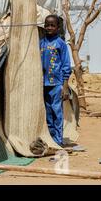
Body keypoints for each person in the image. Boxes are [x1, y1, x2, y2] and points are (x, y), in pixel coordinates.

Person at [40, 14, 71, 147]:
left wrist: (65, 86)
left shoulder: (61, 44)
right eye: (47, 25)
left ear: (58, 28)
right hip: (43, 83)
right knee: (48, 112)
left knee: (57, 111)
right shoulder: (41, 43)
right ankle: (51, 138)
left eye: (52, 25)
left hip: (56, 83)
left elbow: (66, 65)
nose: (49, 28)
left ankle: (58, 140)